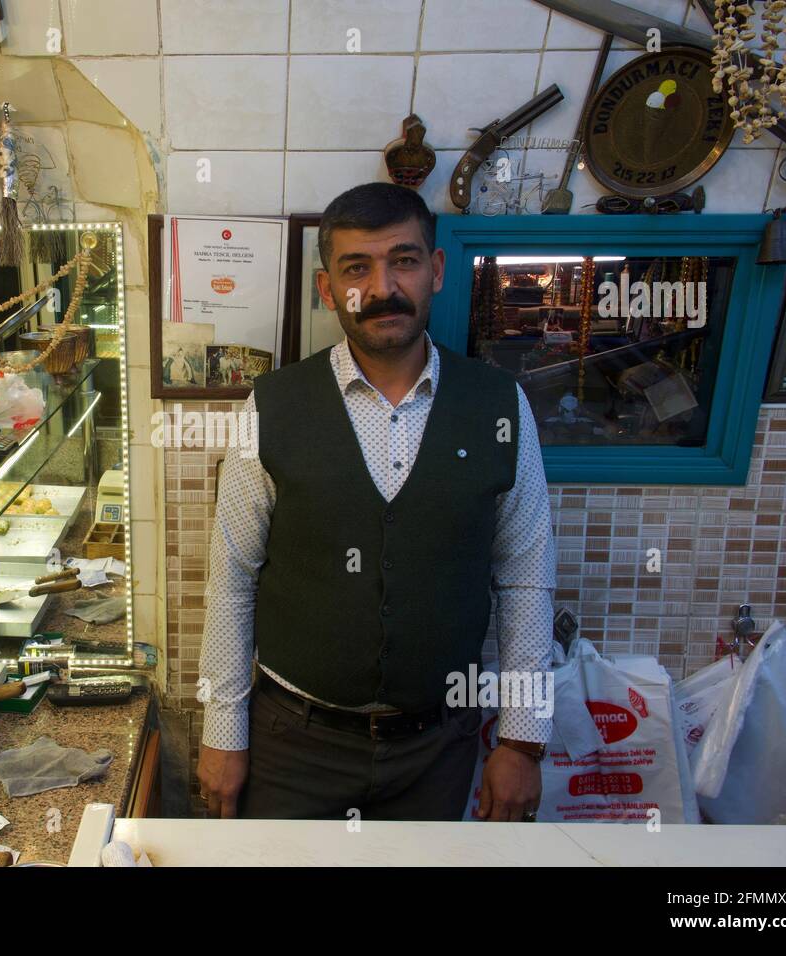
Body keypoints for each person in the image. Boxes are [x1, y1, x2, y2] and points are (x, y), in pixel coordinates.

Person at [197, 182, 556, 822]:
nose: (384, 288)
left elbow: (526, 579)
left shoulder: (500, 406)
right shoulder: (271, 406)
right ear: (327, 288)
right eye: (356, 267)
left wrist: (523, 741)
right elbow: (232, 578)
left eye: (405, 260)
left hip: (439, 749)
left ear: (437, 270)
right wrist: (224, 732)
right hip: (292, 744)